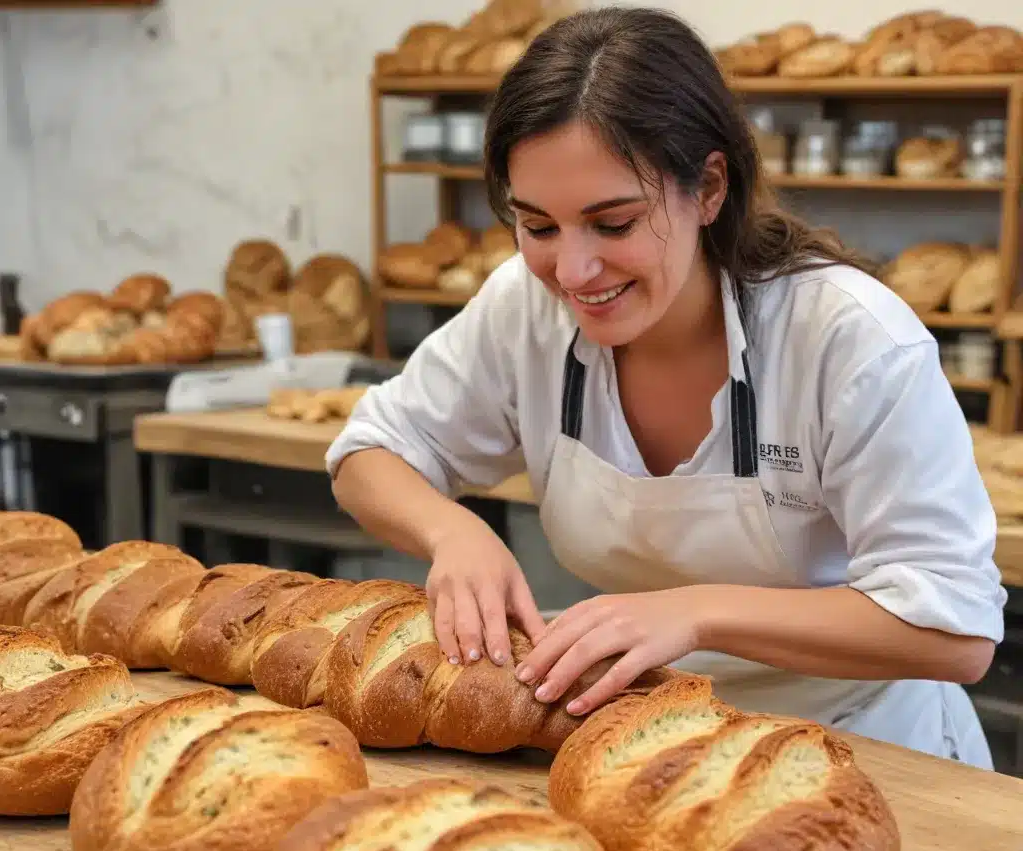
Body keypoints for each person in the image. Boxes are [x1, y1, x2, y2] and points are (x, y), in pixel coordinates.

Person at [328, 6, 1006, 768]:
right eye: (539, 226)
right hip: (646, 741)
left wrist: (695, 615)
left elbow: (956, 630)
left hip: (865, 749)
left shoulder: (847, 339)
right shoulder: (524, 305)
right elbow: (369, 451)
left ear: (709, 187)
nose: (573, 272)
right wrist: (453, 533)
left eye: (612, 224)